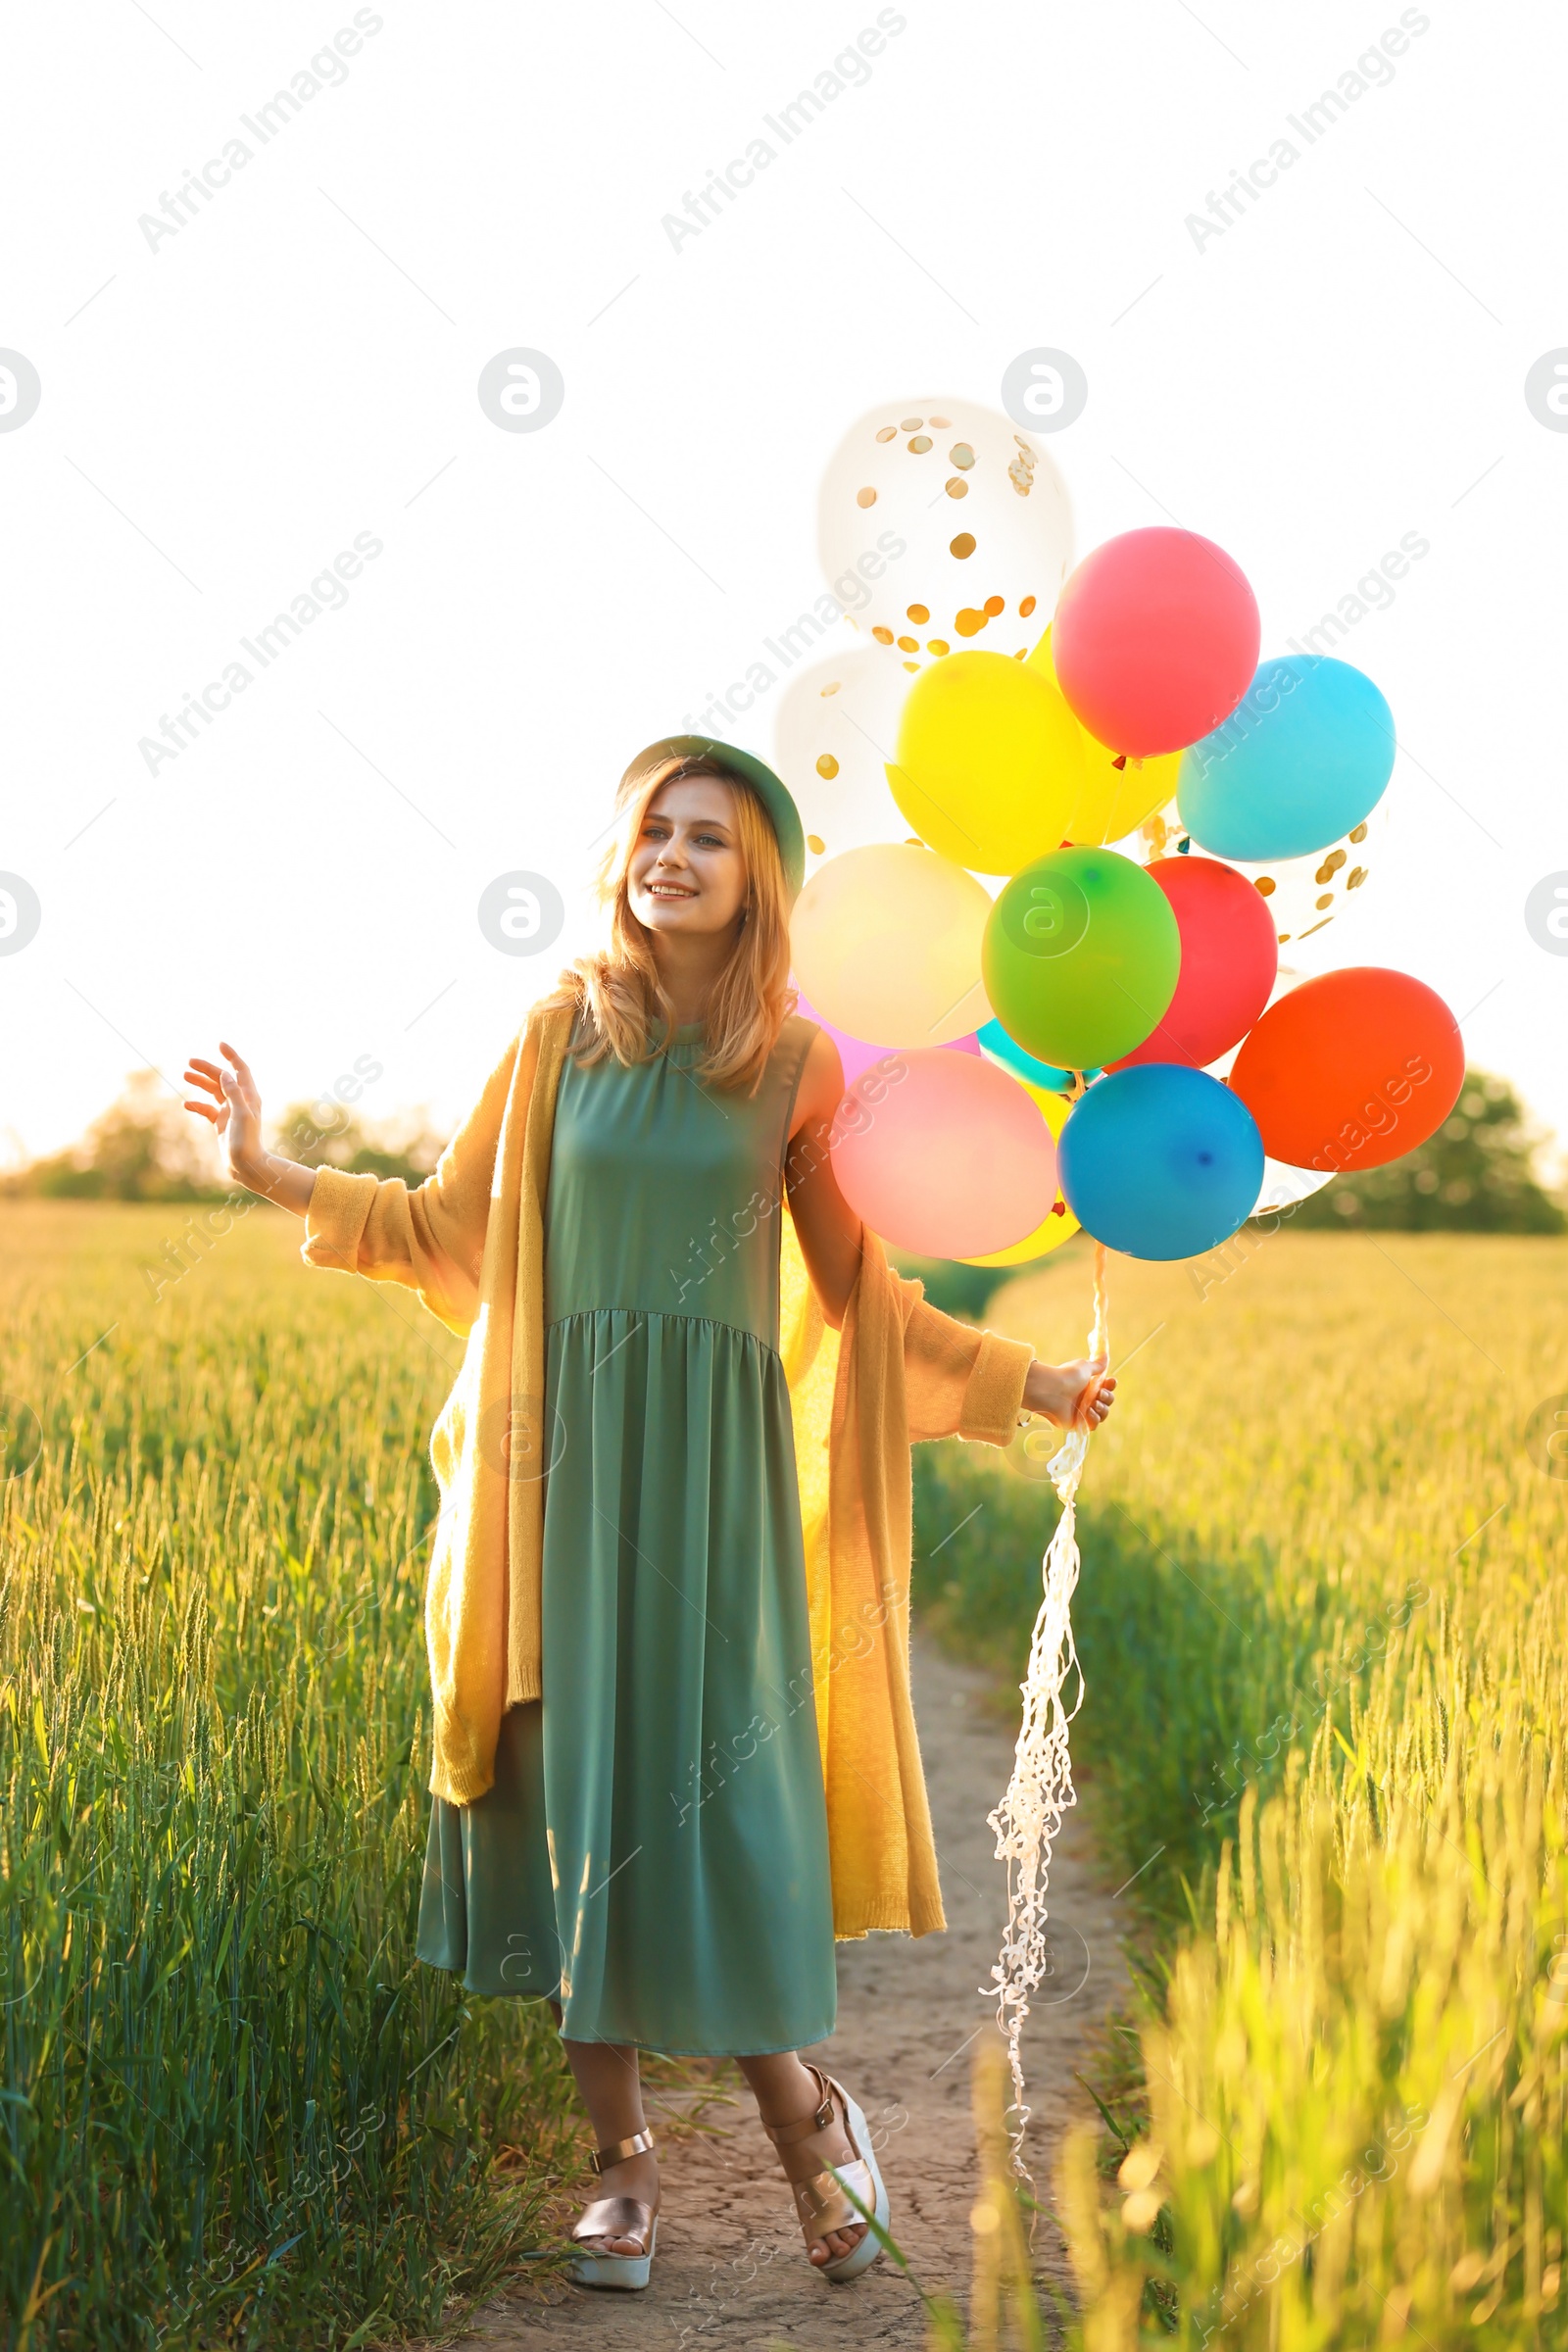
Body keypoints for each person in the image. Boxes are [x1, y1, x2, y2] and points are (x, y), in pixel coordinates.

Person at [183, 737, 1113, 2293]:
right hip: (553, 1466)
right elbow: (446, 1229)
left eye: (710, 838)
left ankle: (803, 2116)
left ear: (765, 879)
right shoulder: (561, 1032)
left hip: (711, 1486)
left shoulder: (796, 1067)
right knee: (579, 1803)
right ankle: (622, 2164)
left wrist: (1027, 1382)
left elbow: (858, 1295)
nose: (670, 857)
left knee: (714, 1812)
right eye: (652, 832)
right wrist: (267, 1167)